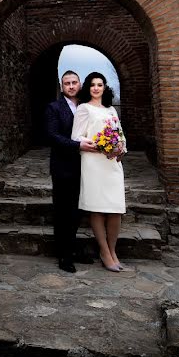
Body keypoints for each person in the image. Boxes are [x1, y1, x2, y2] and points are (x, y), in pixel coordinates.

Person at [71, 72, 127, 272]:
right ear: (88, 88)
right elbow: (77, 137)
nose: (96, 88)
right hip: (93, 162)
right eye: (93, 84)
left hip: (112, 163)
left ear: (105, 88)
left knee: (115, 209)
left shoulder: (111, 110)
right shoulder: (83, 109)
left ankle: (113, 251)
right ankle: (104, 252)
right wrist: (99, 145)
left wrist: (120, 148)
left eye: (100, 84)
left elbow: (120, 135)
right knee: (97, 207)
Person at [46, 70, 96, 273]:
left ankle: (72, 249)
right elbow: (52, 136)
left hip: (85, 167)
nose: (71, 86)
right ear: (62, 86)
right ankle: (63, 255)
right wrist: (78, 146)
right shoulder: (54, 107)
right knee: (63, 212)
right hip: (63, 167)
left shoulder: (86, 107)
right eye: (67, 83)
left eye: (74, 82)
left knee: (77, 212)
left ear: (80, 84)